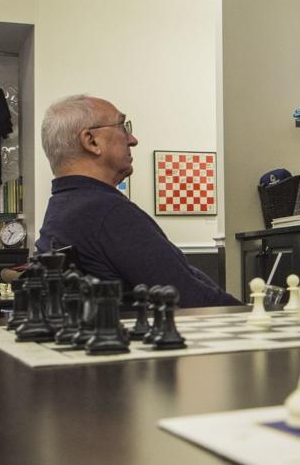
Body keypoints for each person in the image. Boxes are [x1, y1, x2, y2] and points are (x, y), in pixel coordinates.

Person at [36, 95, 240, 307]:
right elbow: (188, 297)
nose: (133, 139)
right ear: (91, 141)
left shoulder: (62, 207)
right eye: (123, 127)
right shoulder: (107, 213)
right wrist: (253, 315)